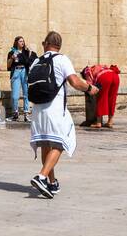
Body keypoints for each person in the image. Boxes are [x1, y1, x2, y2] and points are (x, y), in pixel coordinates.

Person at [28, 31, 96, 198]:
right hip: (55, 110)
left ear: (45, 44)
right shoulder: (62, 59)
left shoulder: (36, 61)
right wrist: (89, 88)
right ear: (59, 46)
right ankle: (41, 176)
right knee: (61, 143)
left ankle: (51, 183)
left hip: (37, 110)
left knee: (46, 144)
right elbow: (74, 81)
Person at [80, 63, 121, 129]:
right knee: (112, 98)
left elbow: (90, 87)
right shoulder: (98, 67)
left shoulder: (87, 72)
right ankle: (110, 121)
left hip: (105, 77)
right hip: (115, 75)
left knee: (101, 98)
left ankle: (98, 123)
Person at [7, 36, 36, 122]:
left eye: (23, 41)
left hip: (24, 72)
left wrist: (29, 52)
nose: (22, 43)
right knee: (15, 95)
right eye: (20, 41)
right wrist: (12, 58)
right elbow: (8, 66)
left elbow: (31, 61)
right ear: (16, 42)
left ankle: (26, 114)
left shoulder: (26, 52)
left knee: (26, 94)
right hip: (16, 72)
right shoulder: (12, 52)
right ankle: (15, 114)